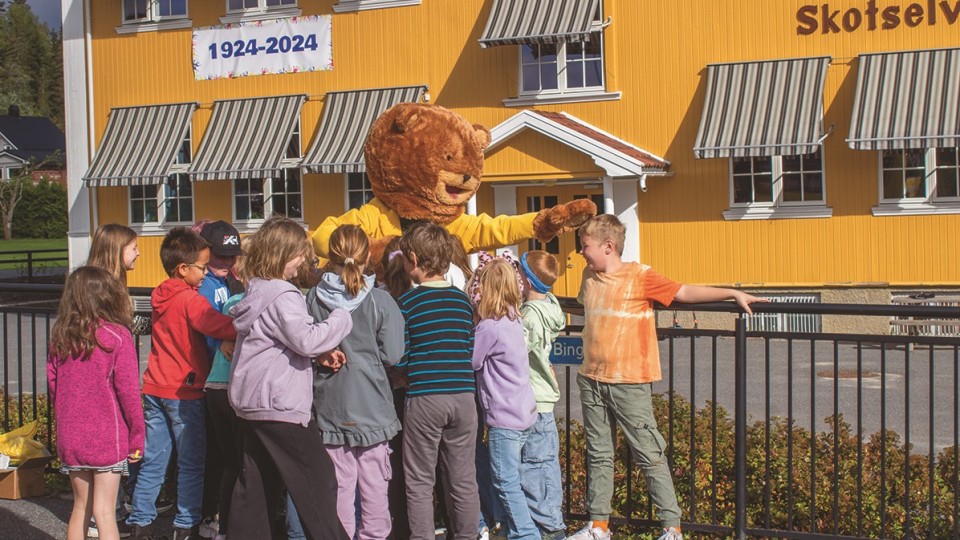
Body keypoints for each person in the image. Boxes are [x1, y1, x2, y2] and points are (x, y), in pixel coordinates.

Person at [567, 215, 767, 540]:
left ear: (608, 246)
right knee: (599, 453)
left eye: (585, 246)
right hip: (591, 379)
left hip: (629, 381)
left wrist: (732, 293)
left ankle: (672, 527)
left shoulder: (640, 276)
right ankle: (598, 526)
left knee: (648, 453)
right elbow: (587, 308)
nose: (580, 252)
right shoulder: (589, 276)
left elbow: (682, 291)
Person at [227, 216, 354, 540]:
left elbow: (278, 343)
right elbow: (305, 339)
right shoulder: (283, 294)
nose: (303, 261)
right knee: (318, 479)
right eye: (300, 254)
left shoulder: (257, 291)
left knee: (256, 487)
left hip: (252, 404)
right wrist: (342, 316)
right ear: (283, 254)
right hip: (280, 405)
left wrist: (316, 354)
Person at [126, 227, 238, 540]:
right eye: (201, 267)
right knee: (191, 463)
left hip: (155, 387)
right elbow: (217, 325)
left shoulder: (160, 294)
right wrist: (252, 321)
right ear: (183, 269)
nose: (205, 273)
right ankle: (185, 524)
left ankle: (141, 521)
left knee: (155, 459)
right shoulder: (190, 300)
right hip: (184, 391)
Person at [308, 224, 406, 539]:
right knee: (376, 487)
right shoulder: (380, 300)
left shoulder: (313, 298)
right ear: (366, 259)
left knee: (339, 488)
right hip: (372, 404)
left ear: (330, 257)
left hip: (330, 405)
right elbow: (394, 354)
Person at [395, 221, 480, 540]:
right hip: (463, 396)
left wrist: (401, 372)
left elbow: (400, 355)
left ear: (414, 259)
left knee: (419, 480)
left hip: (425, 396)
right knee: (463, 478)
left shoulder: (407, 303)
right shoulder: (462, 301)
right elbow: (468, 347)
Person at [47, 266, 145, 540]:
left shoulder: (61, 337)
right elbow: (128, 392)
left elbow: (54, 386)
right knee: (104, 512)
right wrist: (137, 435)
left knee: (80, 507)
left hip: (71, 434)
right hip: (107, 435)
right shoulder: (117, 336)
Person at [469, 253, 538, 540]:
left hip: (503, 418)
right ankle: (509, 528)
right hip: (523, 412)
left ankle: (526, 533)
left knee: (505, 480)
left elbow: (472, 360)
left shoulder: (490, 327)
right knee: (512, 477)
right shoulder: (513, 320)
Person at [195, 220, 243, 539]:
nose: (227, 261)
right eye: (221, 256)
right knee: (215, 456)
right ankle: (207, 514)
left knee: (224, 456)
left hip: (223, 378)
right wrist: (225, 338)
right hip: (210, 377)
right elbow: (205, 326)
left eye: (232, 255)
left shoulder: (228, 281)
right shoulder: (205, 286)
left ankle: (217, 514)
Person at [517, 251, 566, 540]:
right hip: (543, 397)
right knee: (543, 462)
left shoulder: (530, 316)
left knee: (534, 465)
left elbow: (516, 351)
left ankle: (548, 526)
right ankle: (548, 522)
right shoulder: (550, 306)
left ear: (526, 280)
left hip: (533, 396)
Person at [87, 223, 150, 336]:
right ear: (117, 251)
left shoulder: (104, 282)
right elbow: (120, 323)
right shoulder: (102, 287)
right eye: (134, 248)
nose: (138, 253)